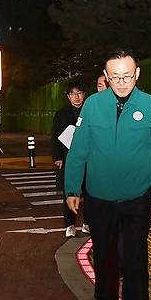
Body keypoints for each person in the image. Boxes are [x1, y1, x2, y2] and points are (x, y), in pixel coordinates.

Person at [65, 48, 151, 300]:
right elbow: (79, 150)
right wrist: (73, 188)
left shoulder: (150, 106)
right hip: (99, 198)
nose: (122, 82)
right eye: (115, 77)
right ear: (106, 77)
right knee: (105, 255)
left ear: (136, 74)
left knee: (135, 261)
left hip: (137, 197)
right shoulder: (93, 106)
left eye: (127, 76)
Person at [51, 79, 89, 238]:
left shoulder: (90, 111)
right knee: (69, 192)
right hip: (68, 158)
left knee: (89, 191)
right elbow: (55, 137)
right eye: (73, 94)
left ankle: (87, 223)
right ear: (68, 96)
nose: (76, 97)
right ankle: (70, 225)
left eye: (79, 93)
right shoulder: (61, 114)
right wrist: (58, 157)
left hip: (88, 158)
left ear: (84, 94)